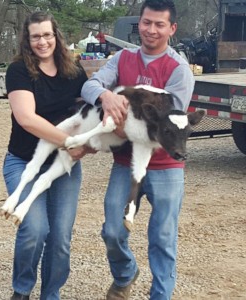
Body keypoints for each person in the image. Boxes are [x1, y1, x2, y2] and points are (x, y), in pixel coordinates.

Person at [81, 0, 195, 299]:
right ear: (139, 23)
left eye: (159, 24)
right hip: (126, 163)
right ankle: (126, 273)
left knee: (162, 237)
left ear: (172, 28)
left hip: (166, 168)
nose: (151, 30)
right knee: (113, 231)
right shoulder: (121, 60)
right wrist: (105, 96)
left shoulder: (178, 70)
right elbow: (89, 85)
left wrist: (116, 128)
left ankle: (161, 295)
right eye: (146, 22)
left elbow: (171, 128)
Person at [4, 11, 88, 300]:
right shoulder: (19, 71)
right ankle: (22, 290)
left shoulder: (75, 72)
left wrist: (88, 143)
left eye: (47, 35)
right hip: (24, 161)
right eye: (36, 36)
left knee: (60, 238)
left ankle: (50, 294)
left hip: (63, 167)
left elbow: (89, 112)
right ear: (27, 40)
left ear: (57, 36)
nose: (43, 41)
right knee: (35, 229)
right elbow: (27, 118)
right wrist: (69, 141)